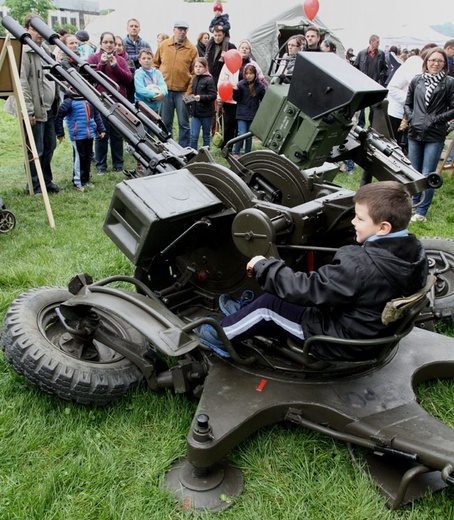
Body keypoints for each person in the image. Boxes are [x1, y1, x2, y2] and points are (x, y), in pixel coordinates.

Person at [195, 181, 428, 362]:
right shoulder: (415, 252)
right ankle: (243, 313)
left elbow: (305, 290)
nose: (353, 222)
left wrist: (263, 265)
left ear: (383, 227)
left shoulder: (360, 267)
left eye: (359, 218)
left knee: (268, 307)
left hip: (341, 341)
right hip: (364, 326)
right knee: (280, 294)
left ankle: (221, 335)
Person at [4, 14, 63, 194]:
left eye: (41, 28)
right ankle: (35, 185)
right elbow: (22, 84)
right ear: (27, 29)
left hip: (49, 108)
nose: (38, 33)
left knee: (49, 146)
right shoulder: (23, 51)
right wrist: (27, 111)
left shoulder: (44, 50)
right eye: (34, 28)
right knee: (36, 149)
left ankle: (46, 181)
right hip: (34, 110)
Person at [404, 47, 454, 223]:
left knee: (428, 173)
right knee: (414, 172)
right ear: (426, 62)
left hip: (435, 134)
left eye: (440, 61)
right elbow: (407, 103)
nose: (435, 63)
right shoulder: (417, 80)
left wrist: (436, 119)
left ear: (444, 64)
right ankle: (415, 204)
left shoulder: (449, 83)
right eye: (432, 60)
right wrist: (412, 117)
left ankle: (422, 212)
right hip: (415, 132)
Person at [88, 32, 133, 174]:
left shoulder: (120, 60)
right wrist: (101, 63)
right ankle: (101, 166)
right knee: (101, 135)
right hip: (100, 102)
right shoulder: (93, 58)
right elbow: (91, 78)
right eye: (106, 42)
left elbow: (128, 79)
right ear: (101, 43)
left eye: (111, 42)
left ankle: (118, 165)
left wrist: (115, 66)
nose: (108, 45)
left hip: (117, 102)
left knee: (117, 135)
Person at [153, 21, 198, 147]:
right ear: (174, 30)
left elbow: (195, 73)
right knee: (165, 122)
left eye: (184, 29)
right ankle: (167, 147)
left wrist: (189, 92)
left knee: (184, 123)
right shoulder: (164, 45)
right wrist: (158, 83)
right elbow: (155, 64)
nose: (182, 32)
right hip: (165, 91)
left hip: (183, 91)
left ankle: (183, 150)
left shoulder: (192, 49)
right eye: (179, 29)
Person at [387, 43, 437, 155]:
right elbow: (393, 88)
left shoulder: (425, 69)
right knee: (388, 148)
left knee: (401, 149)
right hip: (396, 113)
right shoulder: (415, 63)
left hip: (408, 115)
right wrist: (413, 103)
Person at [217, 39, 266, 147]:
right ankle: (227, 147)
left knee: (242, 127)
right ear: (238, 49)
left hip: (246, 101)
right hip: (230, 99)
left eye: (247, 48)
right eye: (242, 47)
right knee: (229, 124)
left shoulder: (253, 64)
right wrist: (220, 97)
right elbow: (222, 81)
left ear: (249, 51)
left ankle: (239, 148)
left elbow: (261, 80)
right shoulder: (228, 62)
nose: (244, 49)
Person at [55, 91, 106, 191]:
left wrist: (101, 129)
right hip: (77, 135)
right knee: (79, 157)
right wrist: (60, 132)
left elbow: (96, 115)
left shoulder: (89, 98)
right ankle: (78, 181)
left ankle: (86, 179)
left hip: (90, 133)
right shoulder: (69, 101)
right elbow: (59, 115)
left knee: (88, 157)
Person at [353, 34, 388, 127]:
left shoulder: (381, 54)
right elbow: (355, 67)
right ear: (371, 42)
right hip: (363, 84)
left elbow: (385, 68)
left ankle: (371, 125)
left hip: (374, 84)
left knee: (373, 106)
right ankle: (361, 124)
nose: (378, 44)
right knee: (362, 106)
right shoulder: (362, 53)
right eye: (377, 42)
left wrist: (381, 76)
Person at [232, 64, 266, 157]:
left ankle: (248, 153)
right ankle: (236, 153)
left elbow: (264, 99)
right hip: (242, 113)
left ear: (255, 74)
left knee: (249, 136)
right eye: (247, 74)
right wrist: (235, 91)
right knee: (241, 133)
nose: (249, 76)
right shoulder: (241, 84)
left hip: (253, 113)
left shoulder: (260, 86)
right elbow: (236, 98)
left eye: (251, 73)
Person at [185, 57, 216, 150]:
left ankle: (206, 154)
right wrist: (189, 99)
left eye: (200, 66)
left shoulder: (209, 80)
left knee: (206, 135)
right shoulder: (194, 79)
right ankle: (192, 154)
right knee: (194, 135)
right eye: (196, 66)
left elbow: (213, 95)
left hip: (206, 114)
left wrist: (201, 97)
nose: (198, 68)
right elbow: (193, 94)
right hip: (195, 113)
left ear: (205, 68)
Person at [134, 48, 168, 113]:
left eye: (149, 58)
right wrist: (155, 95)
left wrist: (163, 93)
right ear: (139, 60)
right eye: (143, 58)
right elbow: (140, 89)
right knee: (143, 122)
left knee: (153, 123)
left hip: (155, 107)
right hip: (142, 107)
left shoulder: (158, 73)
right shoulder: (138, 74)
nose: (146, 60)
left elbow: (163, 85)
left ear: (152, 60)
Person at [115, 35, 136, 102]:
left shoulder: (129, 61)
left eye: (119, 45)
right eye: (115, 44)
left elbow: (131, 79)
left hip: (127, 94)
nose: (117, 47)